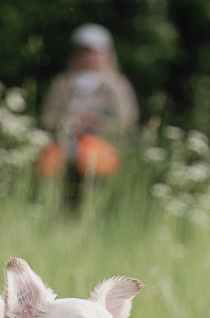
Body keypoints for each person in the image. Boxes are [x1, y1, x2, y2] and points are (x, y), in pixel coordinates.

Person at [37, 24, 138, 206]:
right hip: (64, 143)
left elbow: (126, 122)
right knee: (48, 164)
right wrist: (66, 122)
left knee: (91, 160)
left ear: (106, 54)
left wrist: (94, 122)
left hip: (100, 145)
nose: (90, 57)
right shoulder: (64, 83)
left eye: (95, 52)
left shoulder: (117, 86)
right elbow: (46, 117)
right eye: (85, 52)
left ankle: (91, 208)